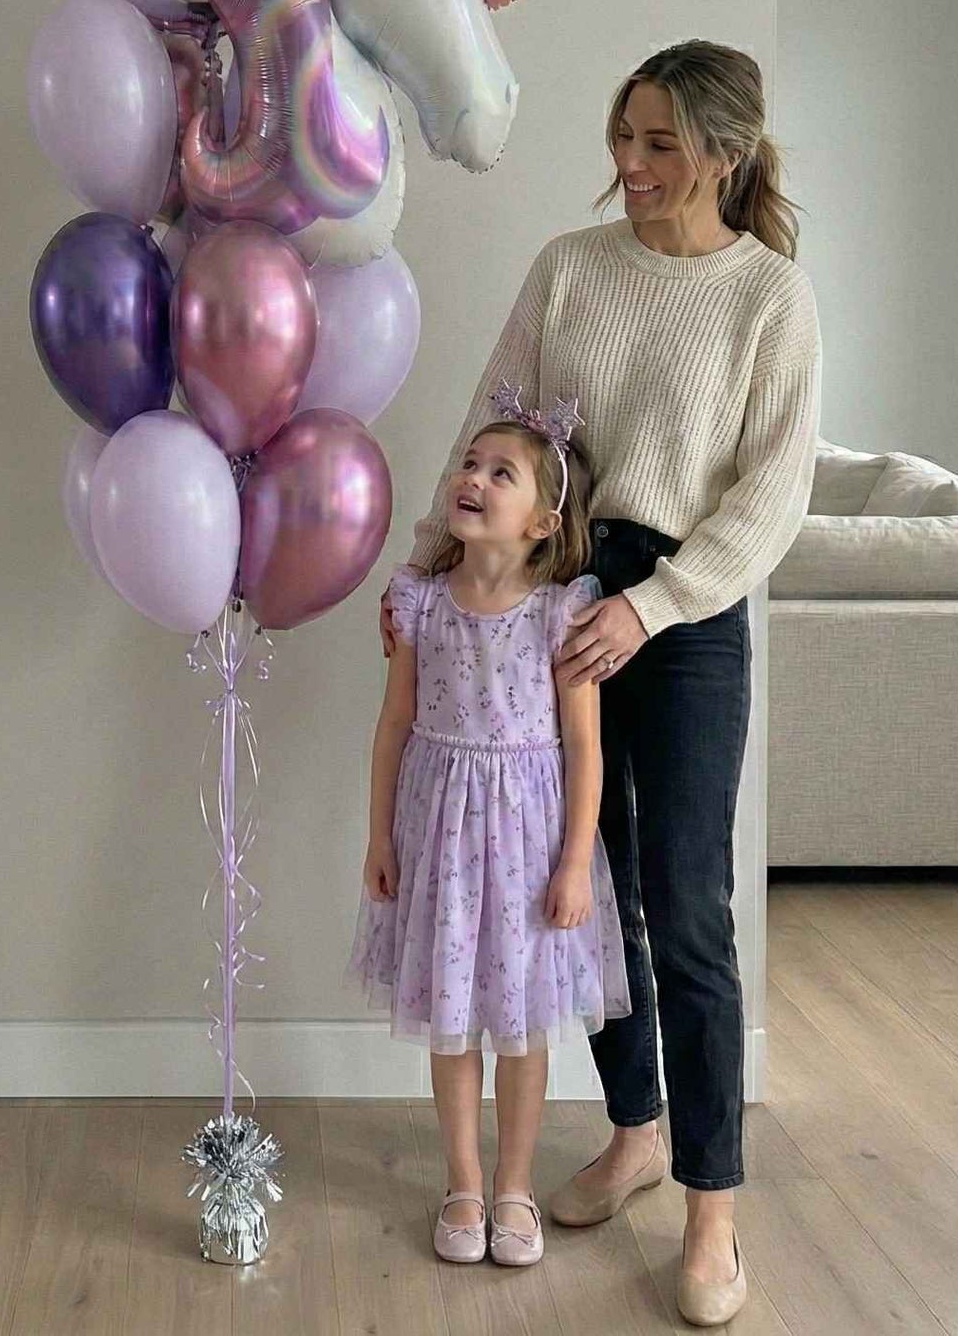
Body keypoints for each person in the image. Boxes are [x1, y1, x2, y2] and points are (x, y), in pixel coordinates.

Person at [389, 39, 820, 1328]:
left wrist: (654, 604)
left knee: (683, 903)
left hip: (680, 611)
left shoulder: (768, 298)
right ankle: (631, 1127)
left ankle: (709, 1206)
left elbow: (770, 493)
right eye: (620, 137)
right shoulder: (569, 271)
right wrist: (422, 569)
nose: (625, 167)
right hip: (552, 599)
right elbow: (493, 415)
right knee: (574, 889)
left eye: (654, 144)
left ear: (721, 156)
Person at [351, 399, 629, 1269]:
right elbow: (393, 727)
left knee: (519, 1027)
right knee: (451, 1022)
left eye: (498, 473)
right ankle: (463, 1182)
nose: (471, 480)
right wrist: (380, 839)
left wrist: (577, 860)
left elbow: (585, 750)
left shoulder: (561, 617)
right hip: (439, 838)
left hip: (528, 847)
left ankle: (513, 1185)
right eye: (469, 464)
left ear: (544, 521)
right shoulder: (419, 607)